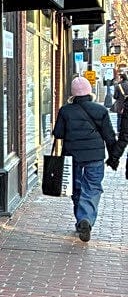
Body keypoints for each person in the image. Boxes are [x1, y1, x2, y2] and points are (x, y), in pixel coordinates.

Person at [52, 75, 118, 242]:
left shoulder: (65, 110)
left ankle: (81, 219)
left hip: (72, 156)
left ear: (73, 94)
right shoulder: (101, 110)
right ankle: (86, 218)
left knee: (76, 188)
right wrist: (113, 157)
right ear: (89, 92)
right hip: (95, 156)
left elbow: (58, 134)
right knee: (93, 187)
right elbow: (110, 137)